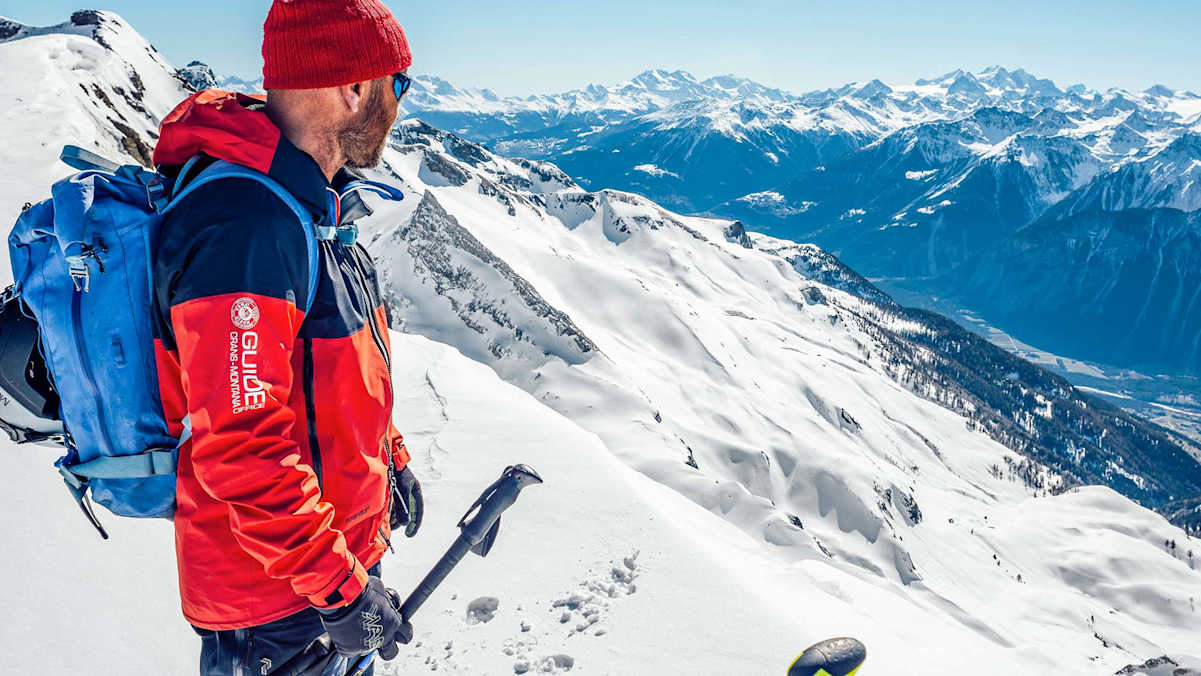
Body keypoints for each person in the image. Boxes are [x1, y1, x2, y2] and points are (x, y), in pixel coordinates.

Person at [148, 1, 422, 673]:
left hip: (329, 580)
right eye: (399, 84)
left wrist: (391, 458)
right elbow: (240, 444)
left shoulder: (310, 207)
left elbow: (328, 377)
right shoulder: (247, 227)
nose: (400, 105)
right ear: (354, 89)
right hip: (277, 610)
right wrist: (336, 588)